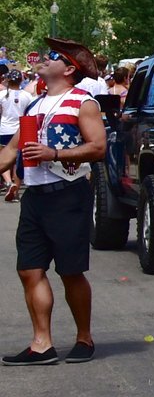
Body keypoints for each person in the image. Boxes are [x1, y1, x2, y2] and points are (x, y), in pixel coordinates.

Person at [1, 39, 107, 367]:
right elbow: (11, 150)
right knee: (29, 270)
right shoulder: (33, 106)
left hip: (68, 194)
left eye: (52, 57)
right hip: (35, 197)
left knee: (71, 272)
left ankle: (84, 337)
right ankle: (41, 344)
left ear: (70, 68)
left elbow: (98, 147)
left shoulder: (82, 102)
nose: (43, 59)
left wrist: (55, 154)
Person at [0, 72, 27, 202]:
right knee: (17, 159)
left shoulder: (2, 95)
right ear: (21, 81)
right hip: (20, 130)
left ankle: (8, 182)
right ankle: (16, 187)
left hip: (4, 129)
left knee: (3, 156)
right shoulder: (27, 96)